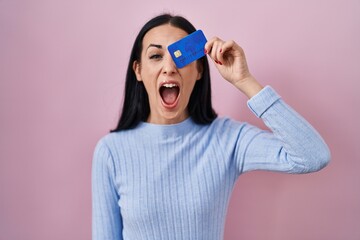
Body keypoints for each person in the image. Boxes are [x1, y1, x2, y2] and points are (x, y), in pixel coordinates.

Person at [92, 13, 330, 240]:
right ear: (138, 71)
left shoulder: (228, 139)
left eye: (180, 56)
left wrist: (245, 81)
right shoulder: (111, 151)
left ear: (199, 70)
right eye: (156, 56)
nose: (169, 67)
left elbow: (312, 156)